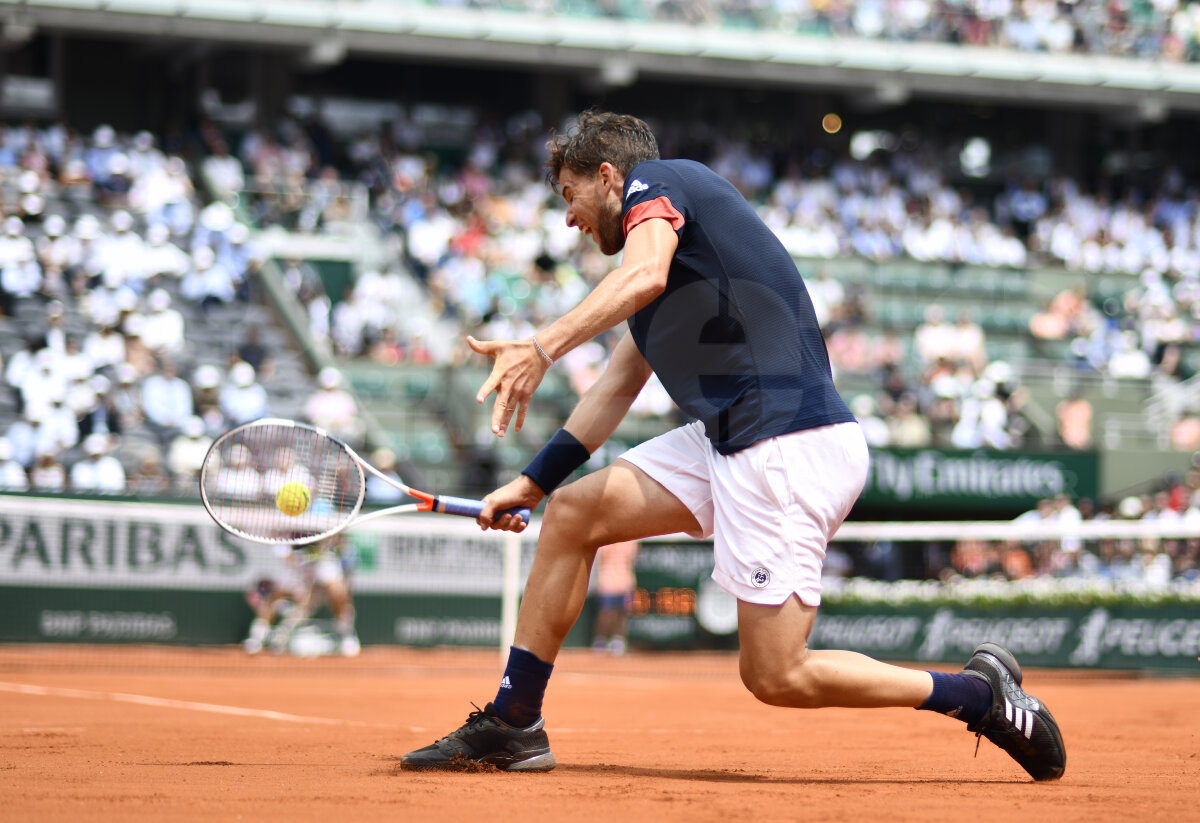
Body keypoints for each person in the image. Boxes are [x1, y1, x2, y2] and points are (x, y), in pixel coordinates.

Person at [400, 111, 1066, 781]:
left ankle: (977, 695)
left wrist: (541, 346)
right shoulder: (668, 276)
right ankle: (515, 723)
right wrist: (534, 482)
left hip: (785, 441)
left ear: (608, 177)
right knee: (572, 515)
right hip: (734, 435)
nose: (568, 218)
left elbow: (643, 275)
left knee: (776, 674)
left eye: (569, 194)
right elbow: (612, 390)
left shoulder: (657, 187)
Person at [590, 540, 638, 654]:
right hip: (607, 582)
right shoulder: (605, 542)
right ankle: (600, 642)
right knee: (606, 614)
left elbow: (632, 558)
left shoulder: (631, 542)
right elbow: (600, 560)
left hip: (625, 582)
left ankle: (618, 642)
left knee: (621, 615)